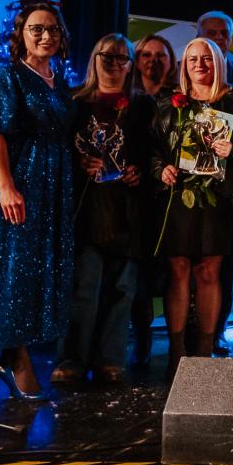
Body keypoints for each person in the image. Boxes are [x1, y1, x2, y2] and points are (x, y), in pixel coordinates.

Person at [0, 0, 75, 399]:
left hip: (50, 190)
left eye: (52, 29)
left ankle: (13, 355)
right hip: (19, 185)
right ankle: (15, 358)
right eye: (36, 29)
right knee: (13, 272)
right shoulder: (8, 79)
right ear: (21, 34)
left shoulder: (59, 81)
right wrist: (7, 186)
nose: (45, 36)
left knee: (36, 272)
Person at [53, 34, 154, 383]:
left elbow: (153, 153)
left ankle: (110, 358)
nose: (113, 63)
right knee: (83, 287)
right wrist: (78, 162)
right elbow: (57, 151)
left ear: (130, 65)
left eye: (121, 58)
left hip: (128, 209)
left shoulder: (143, 106)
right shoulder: (74, 102)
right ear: (94, 59)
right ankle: (71, 358)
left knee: (122, 288)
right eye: (106, 56)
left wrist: (140, 171)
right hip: (87, 208)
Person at [152, 37, 233, 378]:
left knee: (209, 271)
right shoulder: (168, 101)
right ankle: (177, 351)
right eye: (192, 58)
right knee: (178, 269)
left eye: (206, 58)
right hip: (179, 196)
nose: (199, 64)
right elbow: (152, 148)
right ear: (184, 65)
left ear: (219, 62)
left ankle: (205, 350)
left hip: (219, 199)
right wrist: (160, 169)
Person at [197, 12, 233, 356]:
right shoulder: (185, 71)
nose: (218, 39)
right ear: (198, 34)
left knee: (222, 263)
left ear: (231, 39)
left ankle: (217, 330)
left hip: (228, 186)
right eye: (211, 33)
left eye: (223, 34)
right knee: (186, 264)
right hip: (186, 188)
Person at [127, 32, 177, 368]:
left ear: (171, 62)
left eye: (161, 55)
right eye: (146, 54)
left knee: (172, 272)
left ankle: (179, 342)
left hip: (170, 195)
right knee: (140, 275)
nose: (153, 61)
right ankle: (141, 340)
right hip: (134, 196)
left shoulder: (179, 100)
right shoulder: (127, 98)